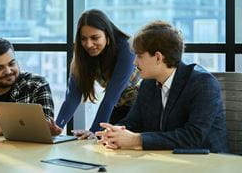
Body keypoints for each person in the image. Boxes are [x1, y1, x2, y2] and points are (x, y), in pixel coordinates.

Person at [96, 21, 228, 153]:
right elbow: (133, 122)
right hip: (165, 159)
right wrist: (113, 132)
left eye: (140, 56)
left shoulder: (203, 83)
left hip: (207, 162)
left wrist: (137, 140)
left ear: (158, 58)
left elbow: (192, 137)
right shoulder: (148, 84)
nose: (134, 62)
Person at [52, 9, 140, 139]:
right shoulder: (84, 56)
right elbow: (72, 97)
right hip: (119, 107)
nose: (88, 44)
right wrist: (57, 127)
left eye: (95, 38)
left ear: (107, 34)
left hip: (144, 108)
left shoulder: (127, 48)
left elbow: (111, 97)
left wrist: (93, 131)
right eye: (83, 39)